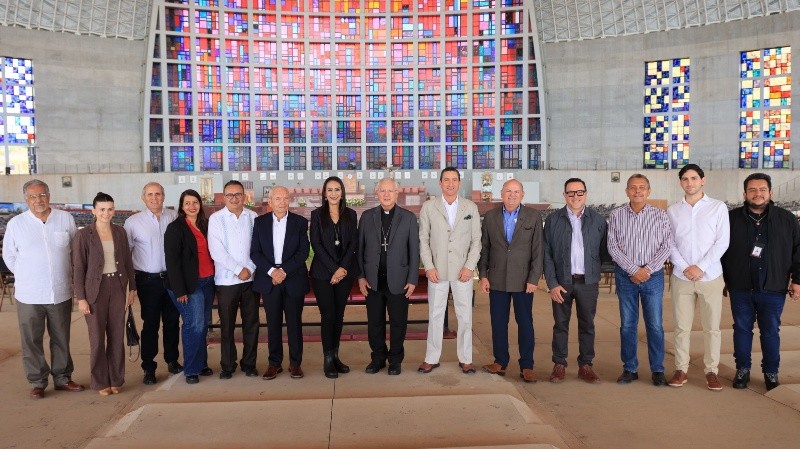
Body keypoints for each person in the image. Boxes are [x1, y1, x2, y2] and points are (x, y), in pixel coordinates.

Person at [2, 179, 85, 399]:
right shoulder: (16, 224)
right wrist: (24, 274)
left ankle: (63, 377)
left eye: (42, 195)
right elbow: (9, 255)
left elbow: (75, 251)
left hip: (59, 292)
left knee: (61, 337)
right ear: (26, 199)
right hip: (29, 294)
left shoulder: (64, 218)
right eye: (33, 196)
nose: (38, 200)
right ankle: (37, 381)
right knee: (31, 339)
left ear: (49, 195)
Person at [721, 173, 800, 391]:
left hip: (773, 287)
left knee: (771, 331)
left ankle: (771, 372)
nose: (758, 194)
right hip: (740, 287)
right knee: (742, 329)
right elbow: (720, 252)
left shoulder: (787, 219)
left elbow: (798, 252)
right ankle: (743, 369)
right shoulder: (731, 218)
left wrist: (797, 280)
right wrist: (724, 279)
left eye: (762, 189)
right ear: (745, 194)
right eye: (752, 190)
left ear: (770, 192)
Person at [666, 164, 729, 391]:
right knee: (681, 327)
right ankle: (681, 369)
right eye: (685, 179)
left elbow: (722, 242)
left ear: (703, 180)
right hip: (682, 277)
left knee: (711, 327)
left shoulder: (717, 208)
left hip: (710, 276)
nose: (689, 182)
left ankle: (711, 371)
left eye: (694, 178)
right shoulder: (673, 211)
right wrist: (685, 267)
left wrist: (700, 267)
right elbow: (669, 243)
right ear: (681, 182)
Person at [607, 174, 672, 386]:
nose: (637, 191)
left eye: (642, 187)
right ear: (626, 191)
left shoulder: (660, 215)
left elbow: (667, 246)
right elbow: (613, 247)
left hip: (653, 278)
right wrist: (634, 270)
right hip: (626, 277)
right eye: (633, 188)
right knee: (627, 325)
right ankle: (630, 368)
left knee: (654, 325)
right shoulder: (616, 215)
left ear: (649, 191)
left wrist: (648, 270)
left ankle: (658, 369)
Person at [543, 178, 607, 384]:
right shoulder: (553, 220)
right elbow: (547, 254)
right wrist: (552, 283)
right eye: (570, 193)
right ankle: (559, 363)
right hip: (562, 282)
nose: (575, 197)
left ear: (585, 194)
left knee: (587, 324)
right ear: (564, 196)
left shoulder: (597, 220)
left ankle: (585, 365)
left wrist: (596, 274)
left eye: (579, 192)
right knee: (560, 324)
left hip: (588, 283)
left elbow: (604, 251)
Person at [478, 179, 543, 383]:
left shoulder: (533, 216)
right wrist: (483, 276)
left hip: (523, 280)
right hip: (496, 279)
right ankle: (500, 361)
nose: (512, 195)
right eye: (508, 191)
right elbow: (485, 249)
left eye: (516, 191)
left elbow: (538, 250)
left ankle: (527, 365)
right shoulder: (490, 217)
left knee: (525, 323)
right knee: (498, 322)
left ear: (522, 195)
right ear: (501, 193)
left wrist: (534, 278)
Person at [417, 167, 481, 375]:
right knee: (435, 315)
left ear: (459, 183)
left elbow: (476, 241)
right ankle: (431, 357)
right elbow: (423, 240)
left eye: (454, 180)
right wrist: (429, 266)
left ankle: (466, 359)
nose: (450, 183)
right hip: (438, 271)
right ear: (440, 183)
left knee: (465, 316)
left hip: (463, 271)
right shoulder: (429, 207)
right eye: (446, 180)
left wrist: (469, 267)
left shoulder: (470, 207)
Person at [72, 192, 137, 395]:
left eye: (109, 209)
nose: (106, 213)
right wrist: (81, 298)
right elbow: (78, 268)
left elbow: (127, 261)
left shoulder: (120, 232)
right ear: (94, 211)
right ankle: (100, 382)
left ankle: (116, 378)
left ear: (114, 210)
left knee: (117, 335)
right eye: (102, 209)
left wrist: (132, 288)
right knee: (97, 338)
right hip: (94, 291)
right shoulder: (84, 235)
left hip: (117, 287)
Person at [357, 178, 420, 375]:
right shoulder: (367, 217)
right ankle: (377, 358)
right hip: (372, 280)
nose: (386, 194)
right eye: (382, 191)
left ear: (397, 193)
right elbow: (359, 250)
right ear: (376, 193)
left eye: (390, 191)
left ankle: (395, 360)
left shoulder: (408, 218)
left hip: (399, 280)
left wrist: (412, 279)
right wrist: (360, 276)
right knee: (374, 322)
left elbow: (414, 251)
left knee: (398, 322)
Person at [124, 182, 182, 384]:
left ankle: (172, 361)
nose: (154, 198)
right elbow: (126, 255)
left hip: (171, 279)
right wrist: (131, 286)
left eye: (158, 194)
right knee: (150, 325)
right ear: (143, 198)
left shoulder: (174, 217)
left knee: (173, 323)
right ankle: (149, 367)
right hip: (147, 281)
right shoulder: (133, 222)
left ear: (164, 196)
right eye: (150, 194)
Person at [251, 186, 310, 380]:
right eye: (278, 198)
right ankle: (274, 363)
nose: (282, 201)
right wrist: (272, 271)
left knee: (294, 323)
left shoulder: (299, 222)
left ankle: (295, 364)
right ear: (270, 201)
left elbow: (303, 252)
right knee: (273, 323)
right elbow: (255, 253)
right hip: (269, 279)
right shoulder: (259, 223)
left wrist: (283, 271)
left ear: (290, 200)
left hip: (292, 277)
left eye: (285, 198)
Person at [208, 180, 260, 379]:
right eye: (229, 195)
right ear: (223, 197)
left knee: (251, 323)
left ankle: (249, 364)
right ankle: (228, 365)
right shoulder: (216, 219)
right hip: (227, 281)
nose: (234, 198)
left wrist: (250, 269)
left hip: (250, 280)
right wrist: (239, 269)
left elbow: (259, 246)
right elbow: (216, 251)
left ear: (244, 197)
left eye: (238, 194)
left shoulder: (253, 217)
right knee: (227, 325)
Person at [164, 189, 215, 384]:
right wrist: (180, 290)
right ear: (181, 206)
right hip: (188, 285)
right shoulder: (175, 228)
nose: (192, 206)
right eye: (187, 203)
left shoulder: (206, 224)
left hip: (208, 281)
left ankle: (201, 364)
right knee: (193, 325)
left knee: (201, 326)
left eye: (195, 202)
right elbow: (172, 262)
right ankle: (191, 369)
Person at [310, 176, 359, 378]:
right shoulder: (316, 215)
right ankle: (327, 359)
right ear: (324, 193)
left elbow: (353, 244)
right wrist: (333, 269)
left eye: (337, 189)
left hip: (345, 274)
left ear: (342, 192)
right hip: (322, 274)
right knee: (328, 315)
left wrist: (342, 269)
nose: (333, 193)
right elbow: (316, 244)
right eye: (329, 190)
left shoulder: (351, 214)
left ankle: (336, 355)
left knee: (339, 316)